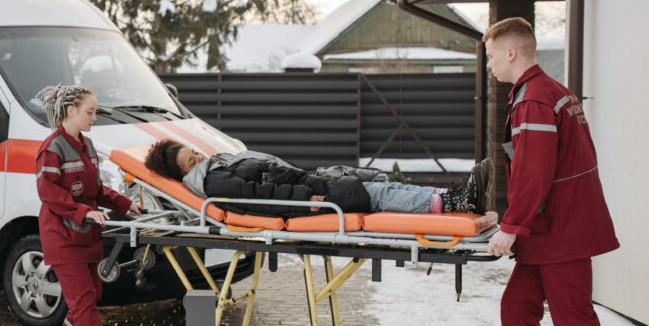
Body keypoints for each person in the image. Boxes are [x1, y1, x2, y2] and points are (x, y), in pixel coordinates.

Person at [465, 18, 626, 326]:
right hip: (554, 227)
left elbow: (536, 171)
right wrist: (516, 220)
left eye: (493, 56)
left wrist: (514, 227)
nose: (491, 64)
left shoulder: (534, 99)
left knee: (576, 324)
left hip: (560, 231)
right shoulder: (552, 92)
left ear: (512, 52)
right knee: (518, 306)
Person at [35, 83, 143, 326]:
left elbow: (96, 189)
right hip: (63, 237)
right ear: (71, 110)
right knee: (84, 302)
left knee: (90, 296)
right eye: (90, 112)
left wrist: (124, 203)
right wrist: (83, 212)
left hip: (84, 235)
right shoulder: (52, 148)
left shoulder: (87, 145)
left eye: (95, 112)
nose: (94, 118)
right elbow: (49, 193)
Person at [143, 138, 491, 218]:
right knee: (378, 195)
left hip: (311, 185)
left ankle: (454, 196)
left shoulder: (218, 165)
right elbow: (257, 199)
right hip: (311, 200)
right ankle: (449, 203)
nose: (199, 156)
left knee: (380, 186)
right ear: (183, 172)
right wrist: (304, 204)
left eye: (194, 152)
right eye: (192, 160)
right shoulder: (212, 184)